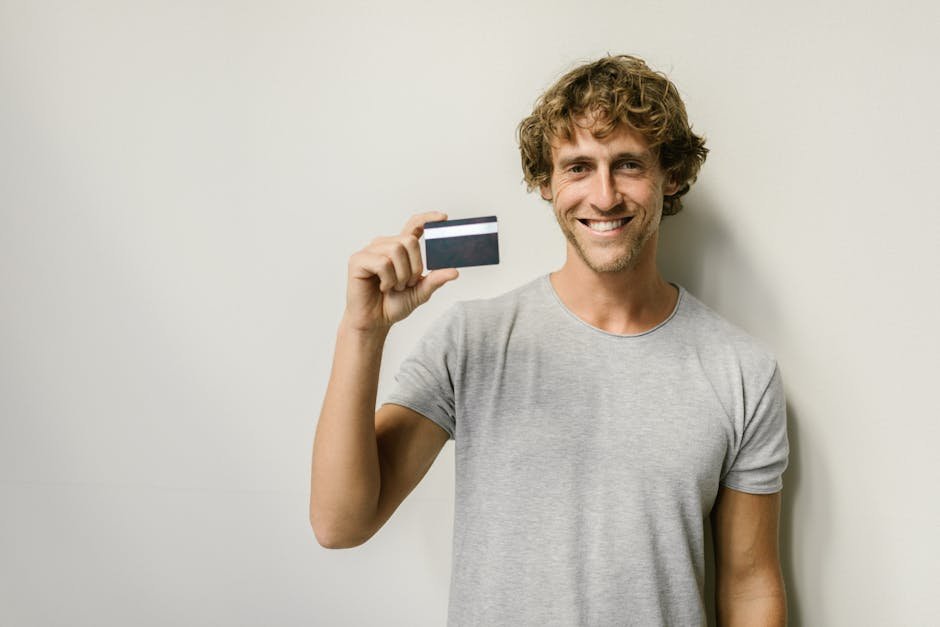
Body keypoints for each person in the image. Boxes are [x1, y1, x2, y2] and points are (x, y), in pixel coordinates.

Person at [310, 54, 789, 626]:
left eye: (629, 164)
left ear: (673, 176)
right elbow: (340, 524)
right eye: (578, 167)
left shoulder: (741, 371)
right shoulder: (473, 340)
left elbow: (750, 584)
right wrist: (363, 329)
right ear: (545, 182)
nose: (605, 195)